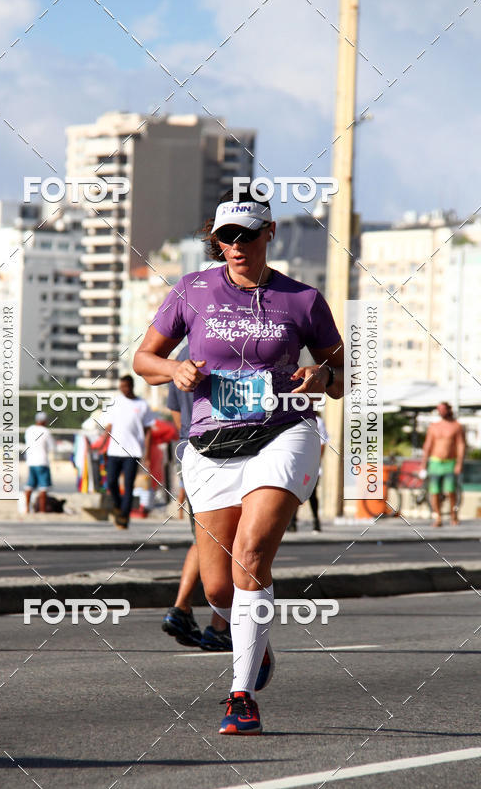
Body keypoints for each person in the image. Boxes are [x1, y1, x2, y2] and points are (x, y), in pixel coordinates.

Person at [134, 189, 344, 734]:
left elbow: (343, 375)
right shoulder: (192, 291)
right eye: (224, 237)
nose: (234, 246)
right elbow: (144, 359)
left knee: (251, 553)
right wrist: (172, 372)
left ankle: (240, 695)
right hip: (212, 443)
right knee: (217, 588)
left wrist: (322, 377)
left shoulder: (303, 300)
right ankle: (256, 642)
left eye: (245, 235)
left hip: (284, 432)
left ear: (269, 234)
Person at [162, 346, 232, 651]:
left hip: (189, 451)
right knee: (230, 538)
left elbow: (178, 416)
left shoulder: (181, 353)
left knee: (204, 536)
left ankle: (182, 609)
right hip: (226, 449)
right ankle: (219, 627)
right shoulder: (226, 346)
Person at [103, 375, 155, 529]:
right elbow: (109, 427)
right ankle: (118, 507)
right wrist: (102, 445)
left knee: (128, 485)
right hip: (114, 450)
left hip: (133, 452)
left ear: (131, 386)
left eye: (126, 386)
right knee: (111, 482)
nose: (123, 389)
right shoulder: (115, 402)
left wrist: (147, 453)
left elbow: (148, 431)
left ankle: (124, 517)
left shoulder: (142, 404)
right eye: (121, 387)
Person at [421, 401, 466, 527]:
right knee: (434, 491)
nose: (440, 412)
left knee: (450, 491)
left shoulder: (456, 426)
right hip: (435, 462)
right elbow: (428, 445)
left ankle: (453, 515)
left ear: (448, 410)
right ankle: (438, 517)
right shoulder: (433, 426)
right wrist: (423, 463)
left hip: (450, 462)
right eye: (438, 410)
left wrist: (459, 463)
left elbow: (461, 445)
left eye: (442, 409)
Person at [287, 414, 328, 533]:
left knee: (311, 494)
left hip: (311, 466)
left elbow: (323, 443)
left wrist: (316, 461)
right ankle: (292, 522)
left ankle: (316, 521)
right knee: (294, 491)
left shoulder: (318, 421)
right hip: (298, 464)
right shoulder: (296, 418)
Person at [24, 411, 55, 513]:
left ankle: (27, 509)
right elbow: (52, 447)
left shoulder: (29, 430)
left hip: (31, 461)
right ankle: (42, 510)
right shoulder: (46, 431)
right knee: (43, 487)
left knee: (29, 486)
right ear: (44, 421)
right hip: (42, 461)